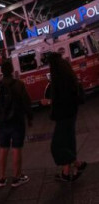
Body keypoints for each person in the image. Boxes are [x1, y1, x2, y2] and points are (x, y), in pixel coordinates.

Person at [0, 60, 33, 188]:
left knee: (3, 149)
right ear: (12, 69)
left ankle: (2, 178)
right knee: (16, 149)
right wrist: (29, 117)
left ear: (1, 71)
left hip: (3, 123)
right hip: (17, 121)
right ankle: (16, 177)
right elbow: (26, 102)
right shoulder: (19, 84)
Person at [47, 52, 87, 182]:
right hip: (72, 112)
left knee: (57, 146)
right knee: (68, 142)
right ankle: (66, 172)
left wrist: (48, 102)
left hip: (63, 115)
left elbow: (58, 100)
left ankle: (78, 164)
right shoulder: (68, 73)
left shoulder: (57, 79)